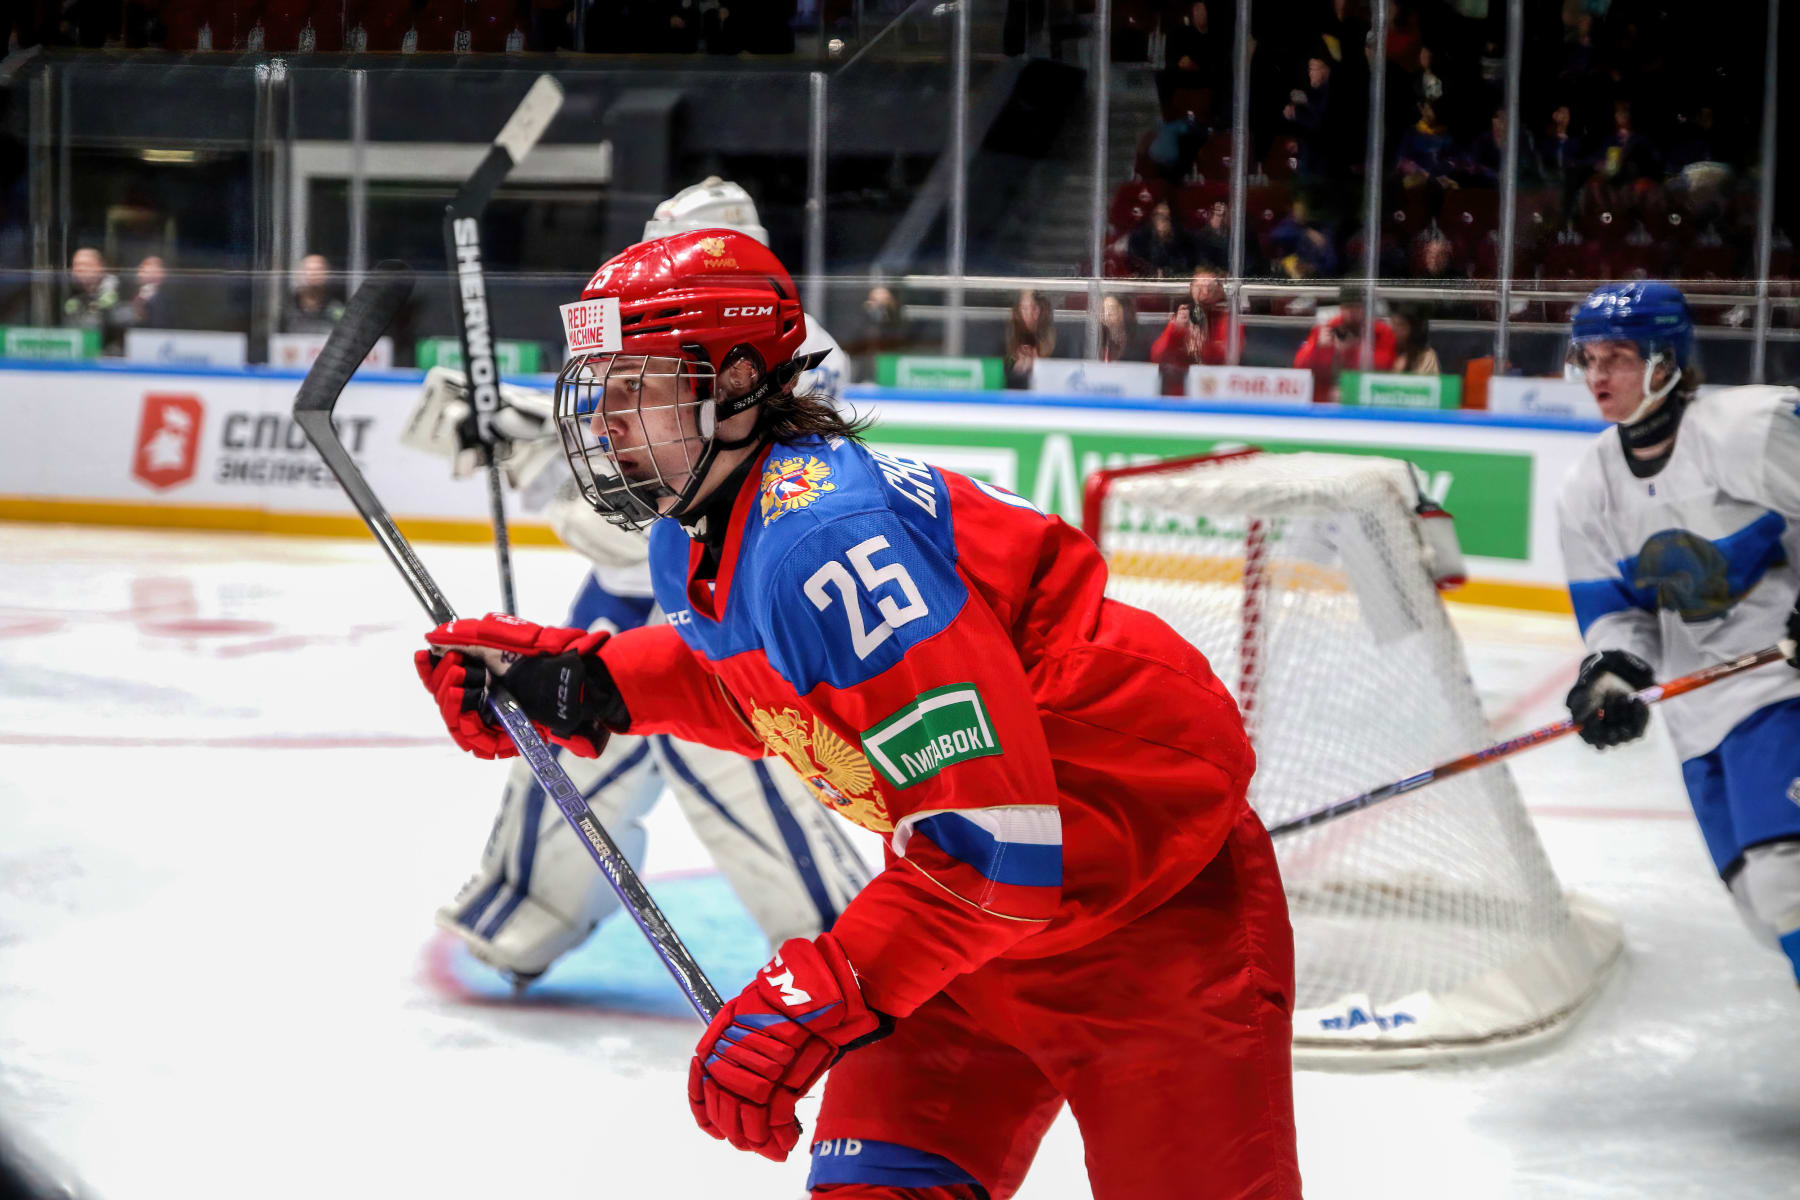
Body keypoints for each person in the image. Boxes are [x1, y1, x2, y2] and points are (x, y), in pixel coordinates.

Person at [413, 228, 1299, 1197]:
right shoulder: (697, 534)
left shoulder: (824, 539)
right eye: (604, 390)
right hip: (963, 944)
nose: (608, 422)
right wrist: (591, 687)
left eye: (640, 388)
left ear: (740, 379)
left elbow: (994, 840)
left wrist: (821, 992)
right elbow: (765, 683)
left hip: (1151, 933)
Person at [411, 181, 865, 987]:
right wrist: (516, 425)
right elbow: (624, 456)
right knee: (567, 738)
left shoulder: (777, 357)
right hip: (628, 601)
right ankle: (526, 907)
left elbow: (672, 507)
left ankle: (849, 950)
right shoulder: (658, 336)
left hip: (730, 609)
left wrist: (530, 459)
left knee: (737, 766)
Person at [1558, 280, 1800, 993]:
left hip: (1781, 687)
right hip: (1701, 717)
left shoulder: (1744, 430)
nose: (1598, 376)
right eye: (1589, 358)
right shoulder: (1588, 486)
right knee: (1762, 909)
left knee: (1788, 883)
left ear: (1666, 360)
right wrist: (1608, 680)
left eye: (1618, 358)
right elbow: (1614, 612)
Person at [1291, 284, 1396, 402]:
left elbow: (1384, 367)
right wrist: (1317, 348)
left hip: (1367, 396)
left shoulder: (1381, 332)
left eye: (1357, 308)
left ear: (1366, 309)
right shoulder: (1328, 327)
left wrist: (1352, 349)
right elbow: (1299, 365)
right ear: (1341, 307)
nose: (1352, 313)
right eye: (1347, 307)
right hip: (1326, 398)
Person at [1149, 265, 1236, 395]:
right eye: (1199, 287)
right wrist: (1176, 330)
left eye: (1210, 288)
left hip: (1216, 390)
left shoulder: (1227, 318)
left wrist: (1203, 346)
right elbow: (1157, 357)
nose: (1205, 293)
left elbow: (1229, 359)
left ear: (1220, 289)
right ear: (1191, 287)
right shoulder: (1183, 313)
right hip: (1178, 392)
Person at [60, 246, 122, 351]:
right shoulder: (71, 293)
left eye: (86, 265)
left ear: (100, 267)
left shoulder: (116, 289)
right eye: (76, 265)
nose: (80, 269)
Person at [1125, 201, 1198, 279]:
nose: (1164, 220)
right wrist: (1154, 272)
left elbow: (1188, 267)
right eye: (1159, 216)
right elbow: (1136, 265)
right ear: (1152, 218)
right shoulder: (1138, 239)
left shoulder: (1184, 241)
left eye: (1168, 217)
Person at [1003, 288, 1055, 389]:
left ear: (1043, 310)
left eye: (1034, 308)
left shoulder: (1058, 341)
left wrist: (1040, 367)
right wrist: (1016, 370)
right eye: (1024, 308)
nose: (1029, 314)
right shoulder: (1009, 338)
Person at [283, 254, 345, 334]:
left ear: (327, 275)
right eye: (308, 270)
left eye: (319, 270)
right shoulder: (287, 309)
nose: (313, 274)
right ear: (299, 275)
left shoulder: (336, 309)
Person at [1389, 304, 1439, 374]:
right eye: (1393, 324)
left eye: (1401, 325)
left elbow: (1427, 382)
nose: (1394, 329)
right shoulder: (1385, 353)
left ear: (1412, 329)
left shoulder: (1426, 356)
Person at [1097, 293, 1140, 363]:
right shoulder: (1098, 339)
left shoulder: (1139, 343)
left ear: (1124, 313)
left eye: (1111, 310)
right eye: (1103, 310)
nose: (1106, 315)